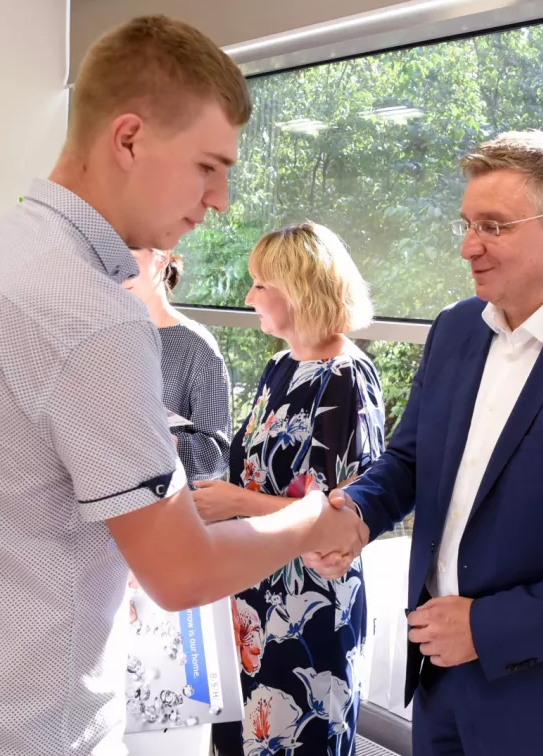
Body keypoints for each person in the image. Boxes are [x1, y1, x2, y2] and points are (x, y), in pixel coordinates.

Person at [0, 16, 366, 756]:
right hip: (37, 730)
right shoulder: (92, 316)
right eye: (208, 165)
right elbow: (181, 571)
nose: (222, 199)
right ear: (130, 138)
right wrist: (310, 522)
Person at [311, 131, 543, 756]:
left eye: (492, 226)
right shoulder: (455, 330)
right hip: (438, 678)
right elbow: (409, 459)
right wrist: (359, 513)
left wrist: (486, 628)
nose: (468, 247)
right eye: (466, 224)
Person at [194, 222, 384, 756]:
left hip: (308, 598)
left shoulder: (348, 378)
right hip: (251, 590)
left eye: (260, 285)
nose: (248, 296)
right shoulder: (279, 366)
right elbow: (256, 472)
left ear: (298, 291)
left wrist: (234, 502)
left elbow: (343, 513)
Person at [123, 246, 232, 481]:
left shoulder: (197, 347)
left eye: (130, 258)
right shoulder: (101, 337)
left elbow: (217, 458)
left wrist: (163, 440)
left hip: (168, 506)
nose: (119, 270)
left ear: (161, 257)